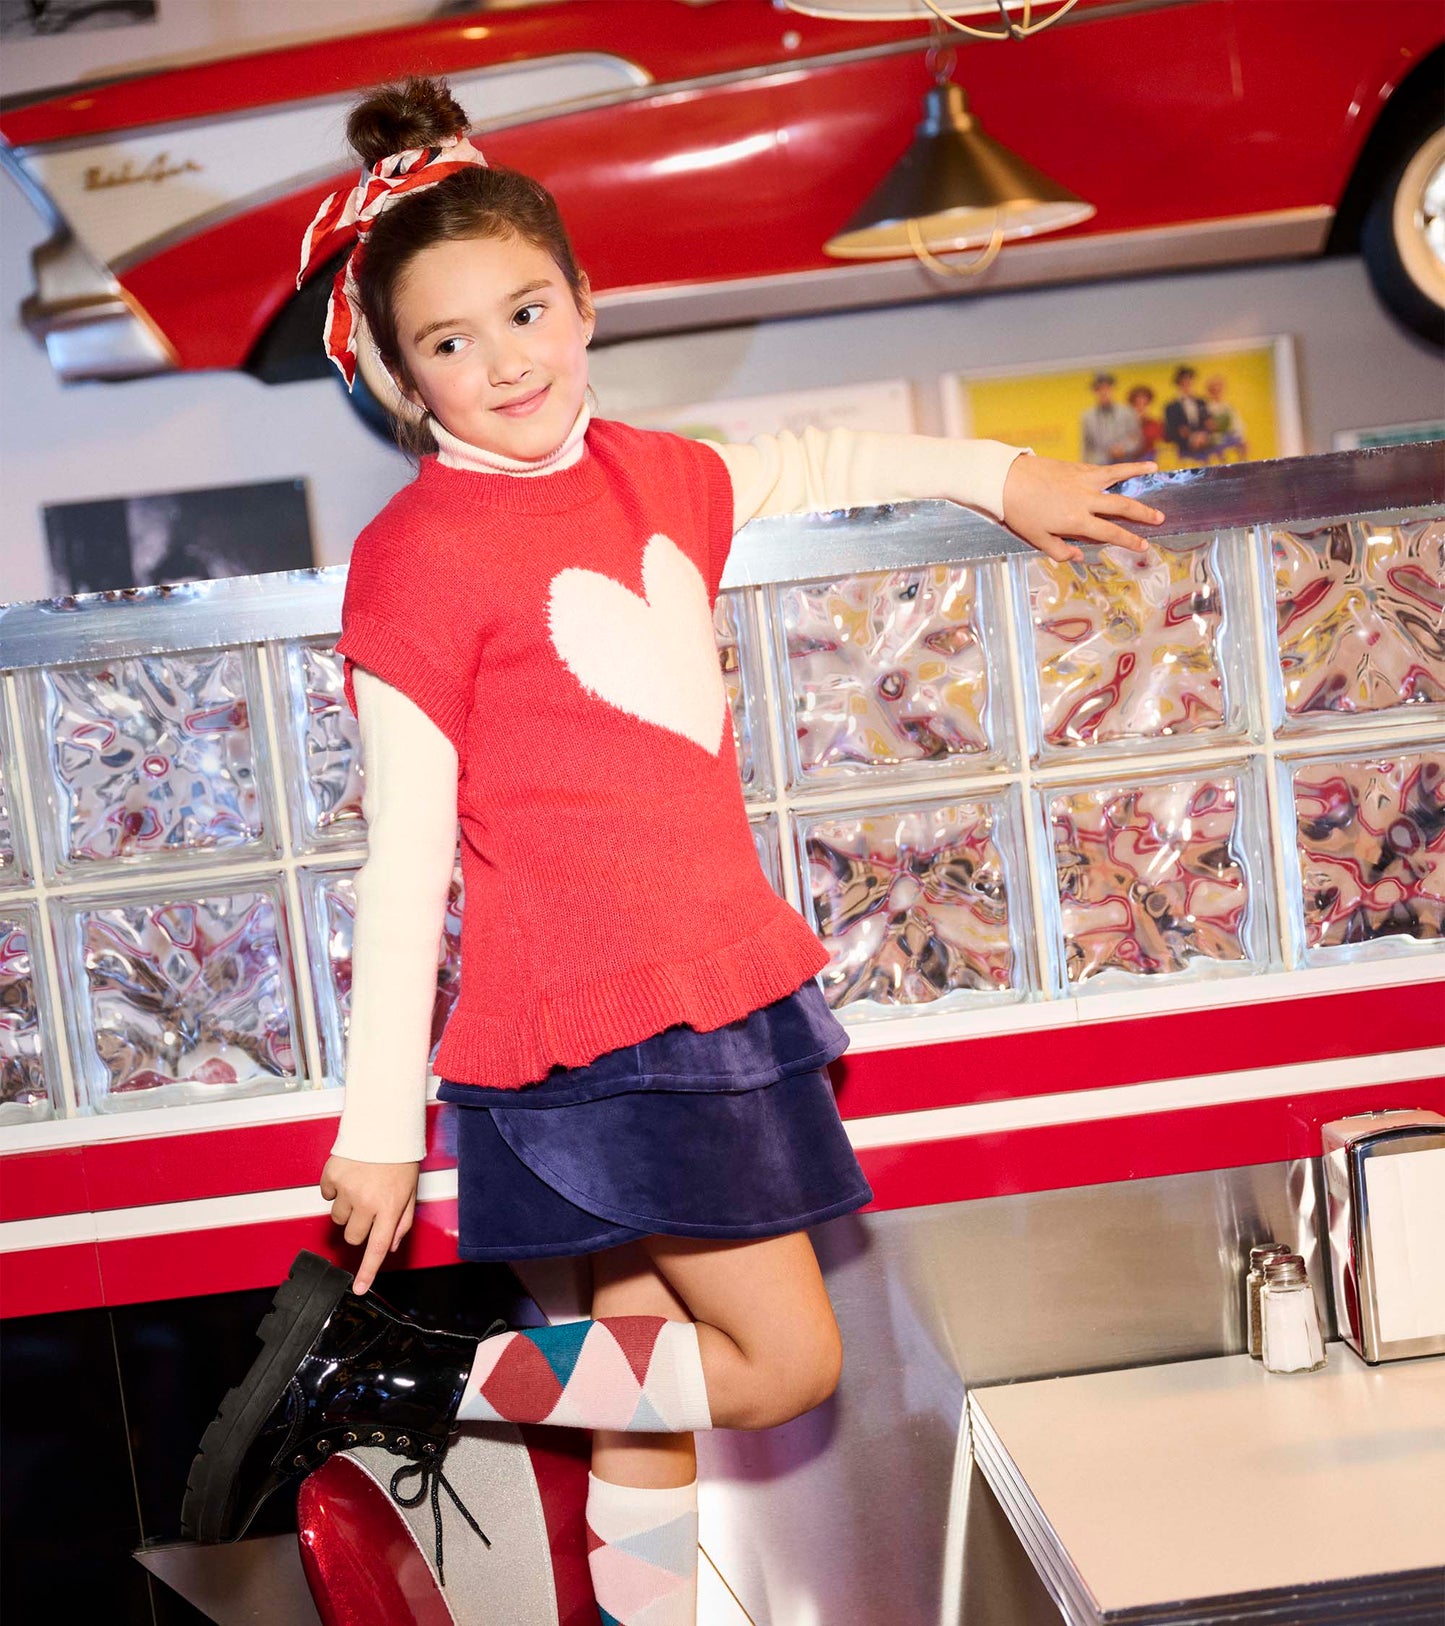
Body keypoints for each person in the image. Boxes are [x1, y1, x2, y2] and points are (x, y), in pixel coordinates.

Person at [181, 76, 1163, 1621]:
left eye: (524, 311)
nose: (501, 361)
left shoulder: (660, 476)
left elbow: (823, 458)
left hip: (703, 998)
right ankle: (420, 1362)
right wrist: (378, 1128)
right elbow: (405, 852)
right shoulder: (418, 557)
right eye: (450, 341)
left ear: (585, 303)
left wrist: (1002, 474)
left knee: (645, 1395)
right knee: (784, 1361)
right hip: (600, 1028)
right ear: (396, 375)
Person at [1080, 371, 1144, 465]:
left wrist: (1123, 448)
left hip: (1125, 462)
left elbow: (1136, 438)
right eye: (1099, 389)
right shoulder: (1087, 417)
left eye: (1107, 388)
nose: (1104, 392)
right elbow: (1086, 446)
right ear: (1095, 391)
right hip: (1100, 465)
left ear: (1112, 389)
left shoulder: (1127, 412)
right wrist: (1086, 466)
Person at [1163, 365, 1213, 462]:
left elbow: (1208, 422)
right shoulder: (1171, 406)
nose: (1187, 383)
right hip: (1184, 448)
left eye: (1190, 380)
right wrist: (1189, 437)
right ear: (1178, 383)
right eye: (1184, 381)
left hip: (1204, 444)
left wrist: (1203, 435)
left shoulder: (1201, 402)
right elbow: (1170, 431)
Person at [1203, 373, 1248, 461]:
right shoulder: (1206, 407)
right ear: (1210, 391)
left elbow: (1238, 424)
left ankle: (1242, 466)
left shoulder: (1228, 407)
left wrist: (1238, 435)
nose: (1217, 391)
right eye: (1214, 389)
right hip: (1215, 437)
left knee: (1244, 444)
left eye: (1219, 389)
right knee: (1218, 446)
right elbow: (1207, 426)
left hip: (1229, 436)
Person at [1127, 384, 1164, 463]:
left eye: (1145, 404)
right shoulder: (1125, 425)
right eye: (1137, 404)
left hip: (1148, 461)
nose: (1141, 408)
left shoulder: (1155, 424)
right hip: (1129, 461)